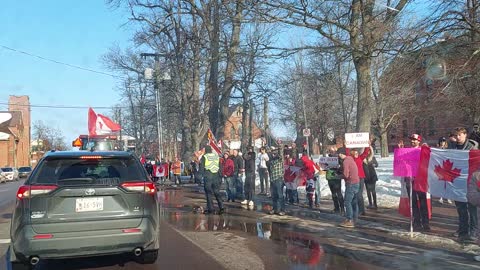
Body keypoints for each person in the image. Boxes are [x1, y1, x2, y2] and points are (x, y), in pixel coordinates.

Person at [453, 127, 479, 242]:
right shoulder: (452, 147)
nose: (457, 137)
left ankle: (474, 232)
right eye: (456, 135)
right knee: (460, 207)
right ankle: (462, 230)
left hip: (470, 181)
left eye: (460, 135)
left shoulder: (473, 147)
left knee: (472, 208)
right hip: (457, 181)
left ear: (465, 135)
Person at [407, 133, 430, 232]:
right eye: (411, 140)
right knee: (413, 203)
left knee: (423, 202)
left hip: (420, 180)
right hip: (410, 180)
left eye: (414, 140)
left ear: (419, 141)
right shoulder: (407, 151)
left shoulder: (422, 150)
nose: (412, 141)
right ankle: (416, 222)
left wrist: (426, 148)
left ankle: (425, 223)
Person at [337, 147, 359, 228]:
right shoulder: (351, 159)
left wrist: (338, 176)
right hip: (356, 182)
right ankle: (354, 219)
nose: (339, 156)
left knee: (347, 202)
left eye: (339, 154)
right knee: (353, 202)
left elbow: (346, 175)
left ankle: (349, 220)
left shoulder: (346, 161)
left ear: (342, 154)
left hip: (351, 183)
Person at [199, 145, 224, 215]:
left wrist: (200, 176)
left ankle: (211, 209)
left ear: (206, 150)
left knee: (208, 193)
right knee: (216, 192)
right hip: (216, 176)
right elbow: (220, 166)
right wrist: (220, 176)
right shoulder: (216, 157)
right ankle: (221, 206)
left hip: (208, 176)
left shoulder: (205, 157)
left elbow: (201, 168)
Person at [347, 146, 370, 215]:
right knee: (355, 194)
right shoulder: (351, 159)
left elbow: (365, 153)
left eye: (357, 153)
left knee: (359, 194)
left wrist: (368, 145)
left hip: (361, 178)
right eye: (355, 153)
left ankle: (361, 210)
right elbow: (347, 154)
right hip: (354, 178)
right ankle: (357, 209)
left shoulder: (360, 158)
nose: (356, 154)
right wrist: (346, 146)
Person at [326, 146, 344, 214]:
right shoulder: (327, 158)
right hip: (330, 177)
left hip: (336, 177)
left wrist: (337, 168)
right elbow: (324, 167)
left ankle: (342, 208)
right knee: (333, 194)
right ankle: (336, 208)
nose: (331, 152)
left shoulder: (338, 158)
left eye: (332, 151)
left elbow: (342, 167)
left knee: (338, 193)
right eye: (330, 151)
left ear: (335, 151)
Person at [268, 146, 286, 216]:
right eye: (273, 154)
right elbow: (268, 152)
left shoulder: (279, 160)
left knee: (280, 195)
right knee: (274, 195)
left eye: (275, 154)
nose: (273, 155)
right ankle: (275, 209)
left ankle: (282, 209)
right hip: (272, 179)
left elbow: (281, 154)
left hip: (278, 179)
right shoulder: (271, 161)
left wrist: (279, 146)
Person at [437, 137, 452, 205]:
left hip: (447, 168)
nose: (442, 142)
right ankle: (441, 198)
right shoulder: (437, 150)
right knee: (441, 184)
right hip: (440, 169)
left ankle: (448, 198)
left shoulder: (447, 150)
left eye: (444, 141)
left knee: (448, 184)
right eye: (441, 141)